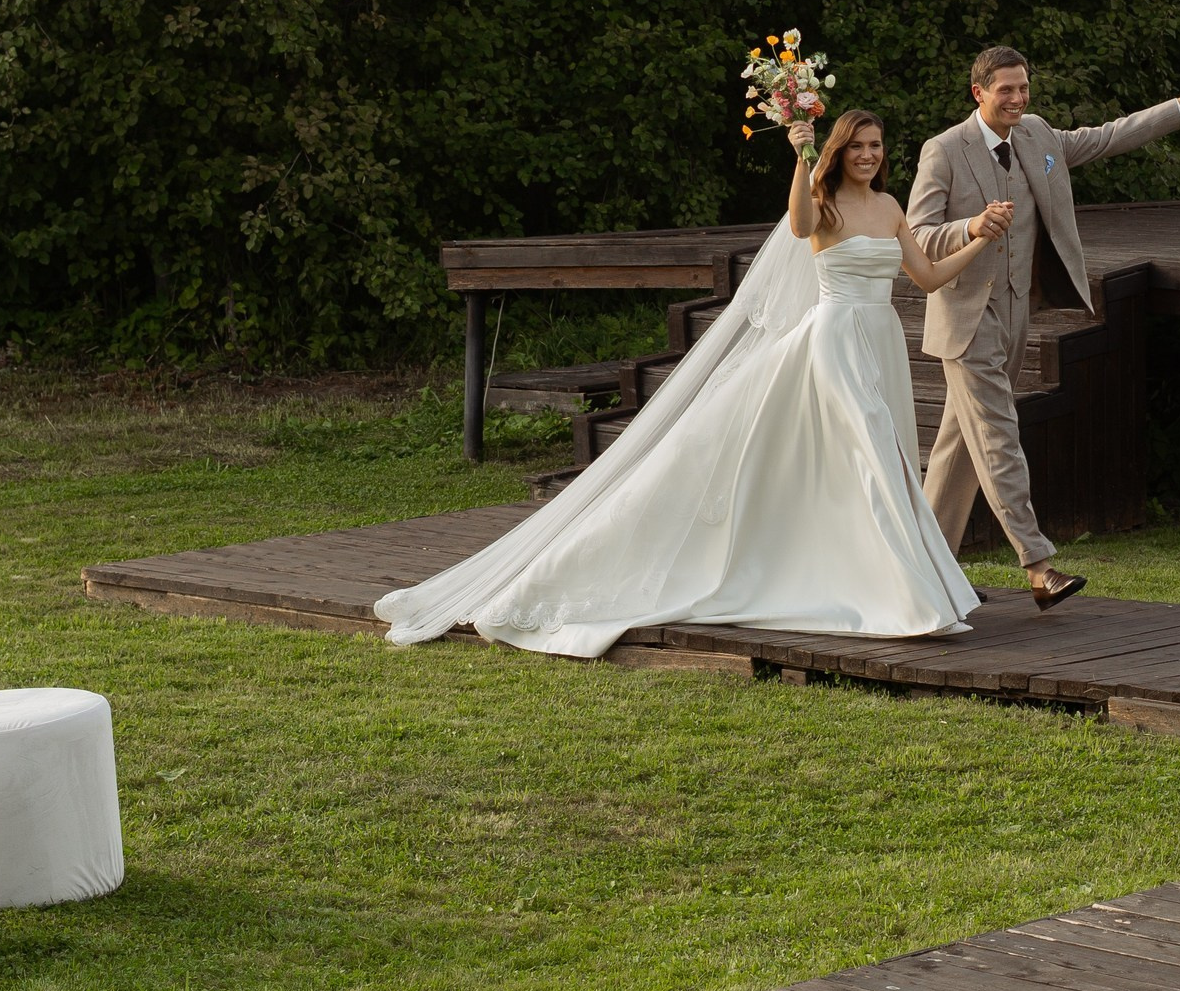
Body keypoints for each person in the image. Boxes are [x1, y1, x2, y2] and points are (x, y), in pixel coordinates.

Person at [379, 109, 1013, 657]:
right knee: (871, 454)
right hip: (834, 341)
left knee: (876, 461)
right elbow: (795, 227)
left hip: (881, 343)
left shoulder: (889, 206)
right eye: (858, 147)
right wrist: (799, 155)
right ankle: (905, 598)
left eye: (876, 147)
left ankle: (880, 584)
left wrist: (978, 238)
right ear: (838, 153)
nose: (869, 157)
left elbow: (927, 277)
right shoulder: (821, 205)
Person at [908, 46, 1180, 606]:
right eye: (1005, 89)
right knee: (1000, 436)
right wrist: (972, 226)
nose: (1018, 98)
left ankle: (920, 570)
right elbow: (916, 235)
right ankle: (1039, 566)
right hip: (964, 321)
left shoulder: (1037, 136)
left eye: (1023, 87)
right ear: (977, 92)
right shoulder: (945, 151)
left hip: (1015, 314)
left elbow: (1107, 137)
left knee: (961, 448)